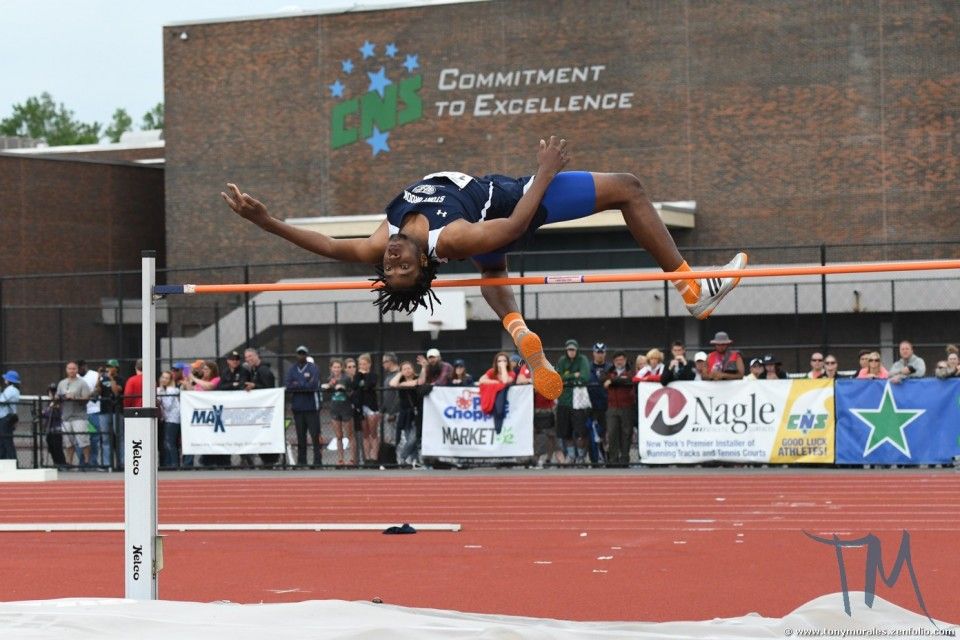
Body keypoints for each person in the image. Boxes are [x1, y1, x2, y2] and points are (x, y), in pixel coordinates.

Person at [222, 137, 748, 403]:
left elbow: (325, 245)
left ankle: (522, 336)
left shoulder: (388, 234)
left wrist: (266, 220)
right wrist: (544, 172)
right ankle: (691, 286)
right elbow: (517, 224)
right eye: (403, 265)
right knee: (628, 186)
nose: (392, 258)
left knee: (493, 270)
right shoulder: (452, 238)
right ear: (425, 264)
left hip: (487, 214)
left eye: (392, 264)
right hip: (513, 199)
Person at [555, 339, 591, 463]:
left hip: (578, 402)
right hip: (564, 400)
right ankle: (571, 456)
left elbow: (585, 377)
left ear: (577, 350)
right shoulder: (561, 360)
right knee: (566, 433)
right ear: (566, 350)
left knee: (581, 432)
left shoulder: (583, 360)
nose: (571, 352)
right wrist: (573, 375)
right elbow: (558, 378)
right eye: (569, 349)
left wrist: (567, 378)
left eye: (573, 350)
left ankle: (581, 456)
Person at [286, 345, 322, 466]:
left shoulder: (313, 368)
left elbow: (313, 385)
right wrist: (304, 383)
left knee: (315, 435)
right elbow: (289, 385)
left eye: (303, 353)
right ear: (297, 355)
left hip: (311, 407)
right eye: (299, 353)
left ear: (306, 355)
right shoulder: (292, 369)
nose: (301, 355)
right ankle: (302, 461)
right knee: (300, 436)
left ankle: (317, 461)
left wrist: (298, 383)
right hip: (298, 408)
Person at [244, 348, 278, 466]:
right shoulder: (254, 370)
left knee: (265, 434)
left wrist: (255, 385)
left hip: (266, 411)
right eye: (246, 357)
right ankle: (265, 459)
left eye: (250, 356)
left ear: (257, 356)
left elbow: (268, 388)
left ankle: (269, 460)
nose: (248, 359)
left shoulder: (263, 370)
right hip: (259, 410)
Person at [604, 352, 635, 467]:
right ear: (613, 361)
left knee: (626, 433)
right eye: (617, 359)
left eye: (621, 359)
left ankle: (625, 459)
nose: (619, 361)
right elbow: (602, 379)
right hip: (612, 408)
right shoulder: (608, 371)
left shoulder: (630, 371)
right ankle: (613, 460)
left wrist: (612, 381)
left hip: (627, 407)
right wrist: (616, 379)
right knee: (612, 433)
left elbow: (629, 380)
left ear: (625, 360)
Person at [59, 361, 92, 467]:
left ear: (77, 370)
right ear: (66, 370)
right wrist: (61, 397)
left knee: (83, 439)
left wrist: (75, 398)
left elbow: (87, 399)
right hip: (66, 416)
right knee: (68, 441)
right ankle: (69, 462)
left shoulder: (82, 383)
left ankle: (87, 462)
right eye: (69, 368)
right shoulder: (62, 383)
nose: (71, 371)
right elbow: (57, 397)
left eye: (74, 368)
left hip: (79, 416)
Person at [389, 361, 421, 467]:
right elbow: (392, 384)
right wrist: (400, 374)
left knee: (414, 438)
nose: (407, 370)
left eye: (409, 368)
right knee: (408, 438)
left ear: (413, 369)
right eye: (404, 369)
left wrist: (403, 385)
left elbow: (419, 382)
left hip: (417, 412)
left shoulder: (418, 378)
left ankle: (402, 457)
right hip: (405, 413)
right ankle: (415, 461)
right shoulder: (399, 379)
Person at [323, 359, 353, 465]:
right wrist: (327, 387)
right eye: (334, 367)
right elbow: (328, 395)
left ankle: (353, 460)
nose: (336, 369)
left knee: (350, 435)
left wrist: (343, 388)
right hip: (335, 409)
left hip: (346, 409)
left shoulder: (347, 378)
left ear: (342, 368)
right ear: (331, 368)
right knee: (339, 436)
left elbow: (351, 393)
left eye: (338, 367)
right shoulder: (330, 379)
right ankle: (340, 460)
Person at [352, 353, 380, 466]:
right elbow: (354, 385)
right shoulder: (357, 375)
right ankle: (367, 459)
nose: (362, 366)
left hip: (371, 406)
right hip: (361, 406)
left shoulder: (373, 375)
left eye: (364, 364)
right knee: (365, 433)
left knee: (373, 433)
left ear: (369, 364)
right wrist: (359, 375)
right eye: (360, 364)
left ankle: (374, 458)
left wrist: (365, 375)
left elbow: (369, 385)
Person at [97, 359, 124, 469]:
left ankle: (121, 462)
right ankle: (106, 463)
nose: (108, 368)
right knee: (105, 438)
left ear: (116, 368)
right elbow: (98, 391)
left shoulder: (120, 379)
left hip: (116, 411)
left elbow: (116, 391)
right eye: (107, 366)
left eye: (110, 366)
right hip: (104, 410)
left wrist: (111, 378)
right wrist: (98, 377)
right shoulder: (103, 379)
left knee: (119, 437)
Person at [78, 360, 102, 468]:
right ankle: (82, 462)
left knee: (94, 438)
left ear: (84, 367)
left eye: (79, 368)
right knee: (80, 438)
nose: (78, 371)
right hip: (80, 413)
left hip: (94, 411)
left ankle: (93, 462)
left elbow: (99, 390)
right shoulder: (76, 377)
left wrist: (91, 394)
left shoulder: (94, 375)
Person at [157, 371, 182, 468]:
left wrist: (160, 398)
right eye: (163, 377)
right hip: (165, 418)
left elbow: (167, 406)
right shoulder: (159, 389)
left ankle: (174, 464)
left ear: (170, 380)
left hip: (173, 418)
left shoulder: (172, 390)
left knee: (169, 441)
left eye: (167, 378)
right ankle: (167, 463)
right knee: (165, 441)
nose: (164, 379)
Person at [42, 383, 66, 468]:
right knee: (51, 447)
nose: (52, 393)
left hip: (57, 429)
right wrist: (48, 409)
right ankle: (56, 463)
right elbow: (44, 413)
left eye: (54, 391)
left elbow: (57, 414)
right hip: (49, 429)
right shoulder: (48, 403)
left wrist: (53, 407)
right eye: (50, 391)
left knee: (57, 447)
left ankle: (62, 464)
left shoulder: (60, 403)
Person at [0, 371, 22, 461]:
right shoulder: (12, 389)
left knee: (6, 441)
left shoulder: (11, 389)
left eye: (6, 378)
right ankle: (3, 460)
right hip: (5, 418)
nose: (4, 379)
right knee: (2, 441)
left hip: (6, 418)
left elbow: (2, 400)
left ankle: (12, 461)